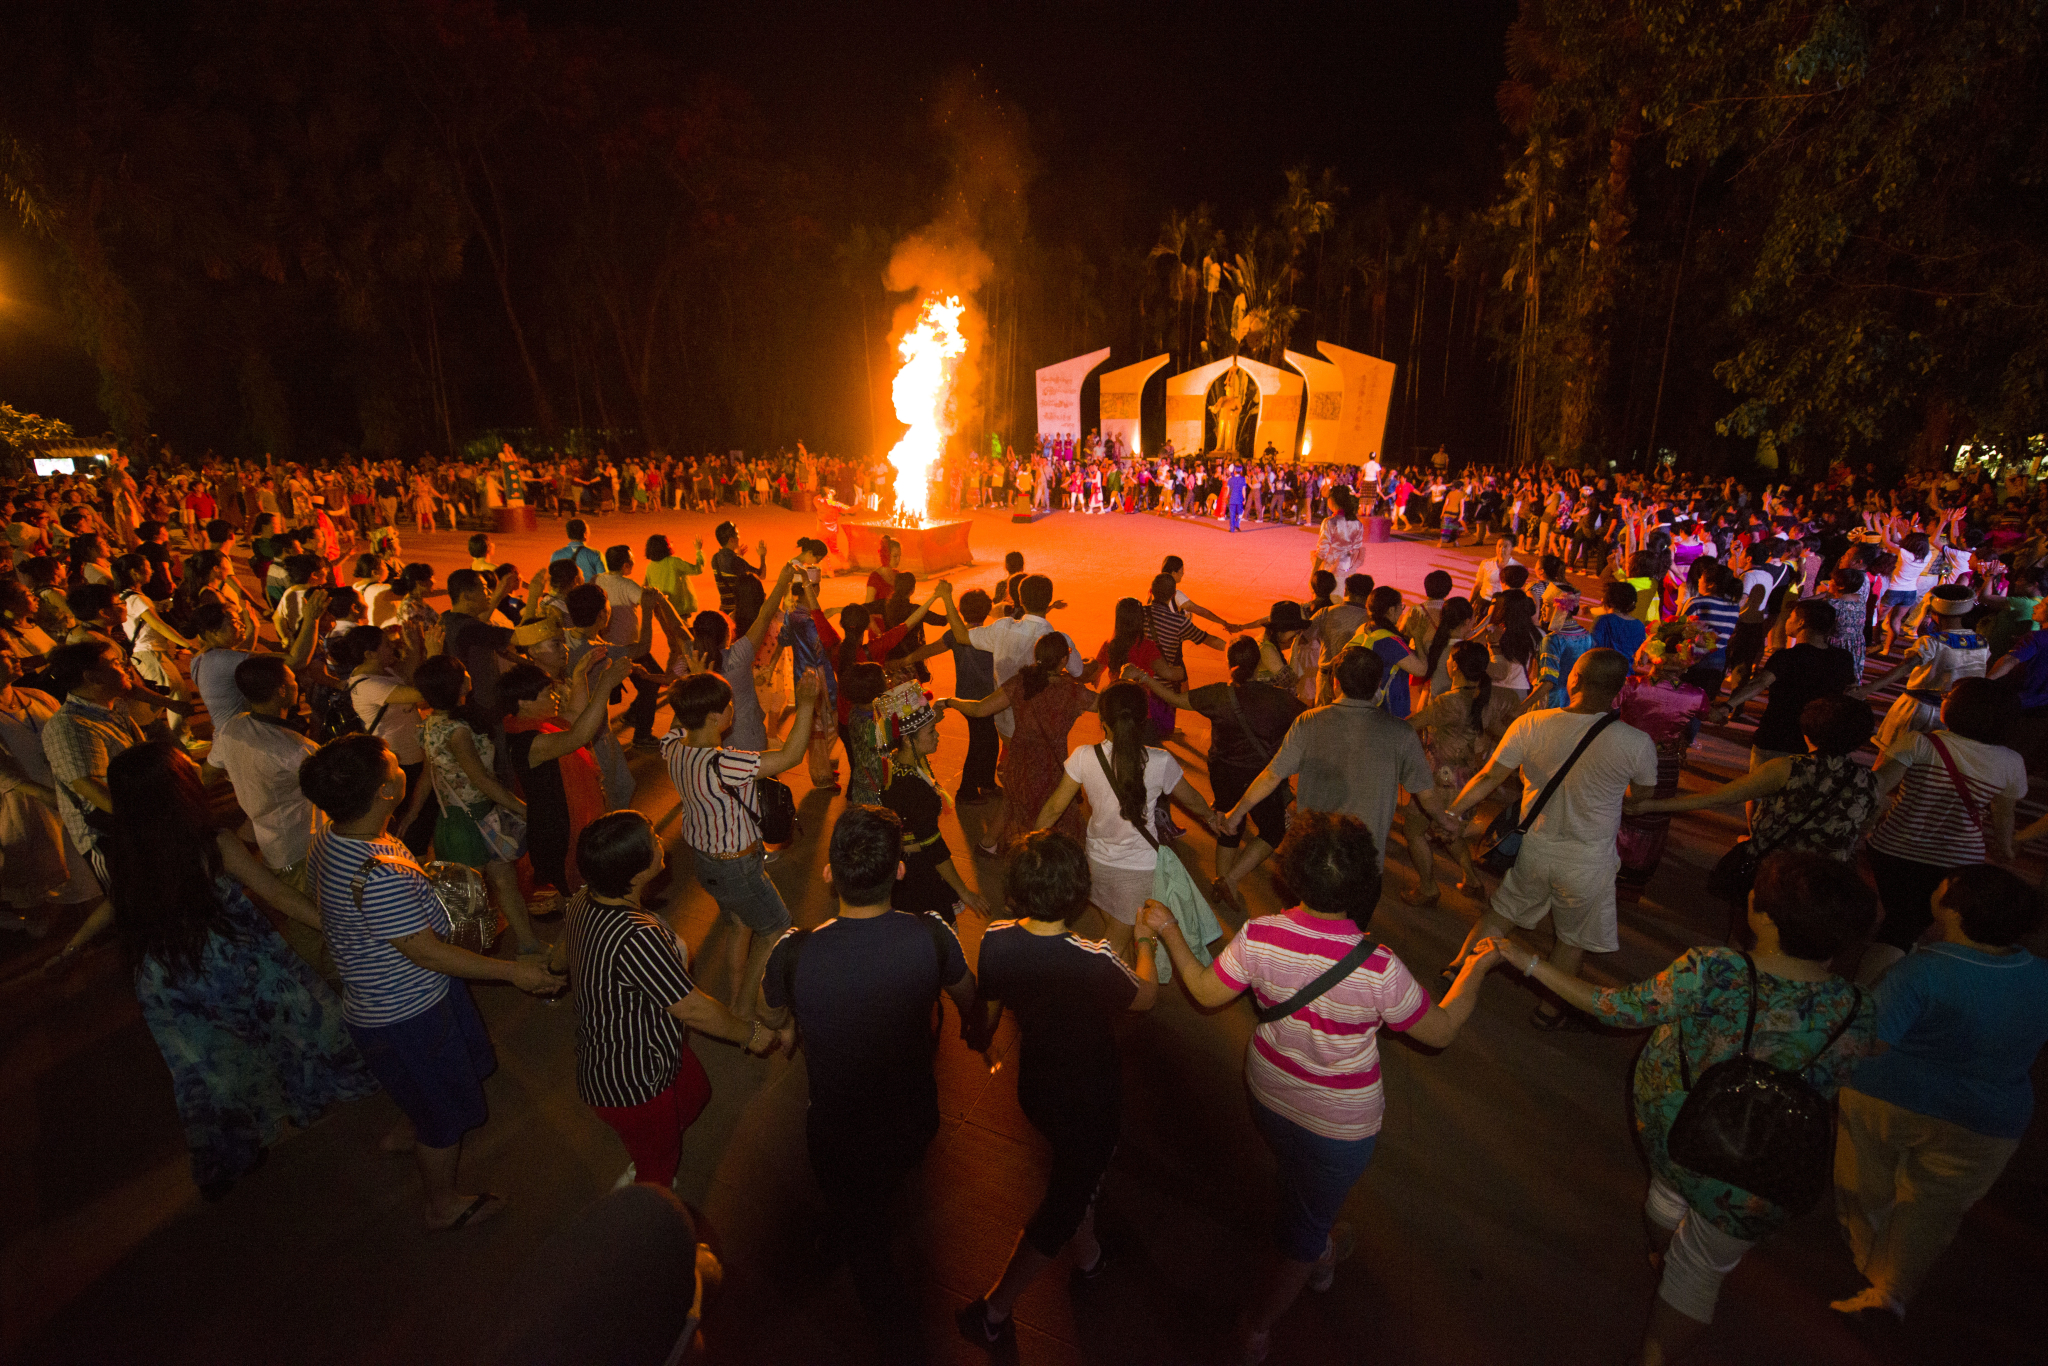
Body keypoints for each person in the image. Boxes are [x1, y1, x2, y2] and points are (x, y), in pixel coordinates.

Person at [1480, 851, 1878, 1365]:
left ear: (1762, 916)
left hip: (1682, 1139)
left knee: (1683, 1251)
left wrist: (1525, 959)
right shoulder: (1858, 1006)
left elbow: (1615, 1009)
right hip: (1766, 1169)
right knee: (1694, 1247)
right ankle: (1675, 1257)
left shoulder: (1716, 971)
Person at [1144, 811, 1499, 1363]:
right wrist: (1478, 966)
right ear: (1363, 882)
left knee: (1297, 1179)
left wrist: (1169, 929)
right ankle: (1260, 1323)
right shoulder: (1379, 968)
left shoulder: (1260, 936)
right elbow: (1442, 1032)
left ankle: (1319, 1238)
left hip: (1268, 1091)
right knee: (1300, 1235)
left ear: (1289, 872)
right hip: (1340, 1127)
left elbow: (1207, 992)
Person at [301, 734, 565, 1230]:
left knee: (439, 1079)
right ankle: (442, 1204)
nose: (402, 767)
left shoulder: (335, 837)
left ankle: (409, 1123)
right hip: (408, 1010)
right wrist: (515, 972)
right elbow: (427, 951)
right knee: (446, 1117)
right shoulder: (377, 873)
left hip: (404, 995)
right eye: (391, 766)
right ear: (384, 792)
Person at [756, 805, 981, 1365]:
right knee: (890, 1184)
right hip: (912, 1113)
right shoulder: (932, 935)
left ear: (829, 872)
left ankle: (879, 1299)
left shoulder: (793, 950)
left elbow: (772, 1017)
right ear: (899, 871)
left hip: (835, 1121)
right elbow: (970, 999)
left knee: (860, 1218)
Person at [105, 740, 378, 1200]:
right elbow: (277, 894)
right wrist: (350, 924)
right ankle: (303, 1107)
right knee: (301, 1028)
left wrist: (73, 944)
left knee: (209, 1072)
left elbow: (119, 906)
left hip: (169, 979)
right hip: (239, 965)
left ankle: (233, 1152)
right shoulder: (210, 842)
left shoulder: (119, 850)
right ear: (177, 788)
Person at [957, 830, 1156, 1345]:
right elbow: (1146, 998)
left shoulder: (996, 939)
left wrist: (984, 1044)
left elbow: (990, 1011)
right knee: (1063, 1203)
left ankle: (1090, 1258)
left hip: (1038, 1089)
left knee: (1076, 1172)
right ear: (1077, 892)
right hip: (1090, 1098)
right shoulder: (1093, 960)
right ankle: (994, 1313)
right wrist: (1149, 945)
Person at [1831, 864, 2048, 1324]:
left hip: (1886, 1097)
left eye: (1946, 886)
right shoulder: (2040, 975)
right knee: (1934, 1208)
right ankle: (1891, 1291)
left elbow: (1873, 1040)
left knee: (1866, 1185)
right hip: (1989, 1119)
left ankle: (1867, 1263)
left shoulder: (1923, 969)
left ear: (1954, 909)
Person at [557, 811, 779, 1189]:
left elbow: (563, 953)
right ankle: (647, 1192)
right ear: (636, 872)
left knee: (694, 1094)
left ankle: (651, 1144)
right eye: (653, 841)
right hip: (629, 1080)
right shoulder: (635, 936)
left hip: (647, 1046)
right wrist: (751, 1033)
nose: (662, 842)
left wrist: (551, 965)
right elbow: (692, 1007)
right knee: (659, 1167)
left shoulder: (584, 900)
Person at [1440, 648, 1660, 1027]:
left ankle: (1458, 970)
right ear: (1620, 689)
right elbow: (1641, 798)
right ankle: (1549, 1007)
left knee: (1503, 912)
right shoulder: (1637, 743)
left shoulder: (1533, 723)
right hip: (1589, 859)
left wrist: (1451, 813)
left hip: (1535, 847)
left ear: (1573, 679)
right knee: (1571, 938)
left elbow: (1489, 777)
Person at [663, 667, 823, 1009]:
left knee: (738, 924)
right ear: (713, 717)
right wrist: (807, 704)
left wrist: (687, 687)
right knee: (776, 929)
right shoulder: (724, 764)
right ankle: (744, 1007)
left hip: (707, 863)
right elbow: (790, 756)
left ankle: (737, 995)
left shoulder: (673, 748)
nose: (733, 710)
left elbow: (677, 724)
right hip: (738, 866)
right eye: (728, 706)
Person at [1032, 681, 1227, 960]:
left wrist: (1030, 845)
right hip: (1138, 870)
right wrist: (1212, 817)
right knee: (1114, 946)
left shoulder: (1084, 756)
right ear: (1145, 718)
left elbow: (1052, 808)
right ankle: (1101, 991)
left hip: (1095, 863)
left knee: (1114, 929)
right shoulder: (1160, 761)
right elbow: (1194, 800)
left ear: (1102, 719)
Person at [1222, 646, 1442, 891]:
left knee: (1309, 922)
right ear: (1379, 683)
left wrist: (1237, 813)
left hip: (1313, 856)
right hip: (1364, 864)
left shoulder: (1308, 722)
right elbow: (1427, 795)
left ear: (1336, 683)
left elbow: (1272, 775)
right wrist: (1447, 822)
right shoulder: (1402, 734)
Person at [1858, 677, 2024, 982]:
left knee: (1900, 919)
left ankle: (1869, 991)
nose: (1944, 697)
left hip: (1893, 848)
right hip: (1956, 860)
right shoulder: (2011, 762)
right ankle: (1896, 976)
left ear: (1961, 709)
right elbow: (2003, 816)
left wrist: (1864, 823)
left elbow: (1877, 788)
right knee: (1916, 923)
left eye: (1950, 696)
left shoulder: (1920, 742)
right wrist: (2005, 848)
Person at [1129, 637, 1303, 914]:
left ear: (1229, 664)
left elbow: (1176, 699)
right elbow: (1307, 719)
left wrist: (1143, 679)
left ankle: (1222, 881)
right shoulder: (1279, 699)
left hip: (1223, 772)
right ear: (1258, 663)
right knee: (1272, 829)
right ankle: (1231, 880)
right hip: (1261, 776)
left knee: (1227, 824)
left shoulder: (1219, 694)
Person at [413, 654, 546, 960]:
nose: (468, 674)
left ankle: (514, 947)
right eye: (462, 672)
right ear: (456, 685)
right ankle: (480, 958)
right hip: (475, 816)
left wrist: (413, 813)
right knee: (482, 894)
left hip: (455, 819)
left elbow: (427, 774)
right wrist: (525, 808)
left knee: (477, 894)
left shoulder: (430, 724)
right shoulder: (458, 731)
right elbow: (481, 780)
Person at [206, 653, 331, 977]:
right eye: (292, 680)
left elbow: (207, 774)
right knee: (310, 925)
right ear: (281, 691)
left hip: (269, 840)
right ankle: (322, 987)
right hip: (301, 850)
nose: (298, 684)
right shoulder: (293, 749)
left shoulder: (232, 728)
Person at [948, 632, 1098, 855]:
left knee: (1012, 802)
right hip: (1051, 767)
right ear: (1063, 660)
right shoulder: (1071, 691)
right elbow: (1105, 705)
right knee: (1055, 811)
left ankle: (989, 844)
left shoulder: (1021, 682)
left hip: (1019, 762)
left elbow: (980, 709)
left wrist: (950, 701)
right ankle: (1037, 855)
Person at [500, 653, 634, 900]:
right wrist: (604, 684)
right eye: (545, 694)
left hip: (563, 819)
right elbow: (579, 736)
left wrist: (580, 674)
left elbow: (574, 714)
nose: (553, 698)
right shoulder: (527, 741)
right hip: (557, 829)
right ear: (524, 702)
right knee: (571, 890)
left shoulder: (536, 724)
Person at [1404, 639, 1518, 897]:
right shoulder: (1484, 700)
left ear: (1454, 666)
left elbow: (1409, 725)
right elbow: (1506, 734)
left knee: (1414, 831)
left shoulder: (1448, 702)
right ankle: (1472, 880)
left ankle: (1428, 888)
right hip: (1466, 782)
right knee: (1449, 833)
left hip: (1436, 782)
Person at [870, 683, 987, 922]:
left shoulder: (894, 764)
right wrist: (964, 891)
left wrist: (932, 714)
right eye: (932, 732)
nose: (938, 735)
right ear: (908, 740)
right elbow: (934, 848)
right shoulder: (915, 789)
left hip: (899, 865)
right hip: (918, 873)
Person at [1709, 599, 1857, 766]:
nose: (1787, 620)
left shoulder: (1787, 657)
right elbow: (1851, 691)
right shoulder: (1844, 658)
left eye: (1791, 617)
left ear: (1801, 622)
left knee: (1762, 787)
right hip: (1817, 742)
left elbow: (1760, 683)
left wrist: (1728, 705)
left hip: (1777, 737)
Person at [1857, 584, 1989, 750]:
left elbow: (1905, 666)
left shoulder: (1932, 642)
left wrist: (1867, 689)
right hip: (1954, 715)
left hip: (1918, 710)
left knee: (1894, 757)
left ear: (1934, 613)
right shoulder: (1982, 643)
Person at [709, 520, 766, 615]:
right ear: (731, 540)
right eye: (737, 534)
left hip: (724, 609)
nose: (739, 537)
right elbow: (762, 575)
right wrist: (762, 556)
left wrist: (738, 556)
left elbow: (730, 569)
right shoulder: (737, 561)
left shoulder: (715, 558)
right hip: (738, 612)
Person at [1312, 486, 1365, 586]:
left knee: (1328, 592)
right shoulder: (1357, 523)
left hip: (1331, 564)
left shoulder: (1330, 522)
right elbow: (1357, 549)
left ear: (1332, 500)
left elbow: (1322, 550)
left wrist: (1314, 571)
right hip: (1347, 564)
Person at [550, 518, 604, 586]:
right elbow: (604, 580)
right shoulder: (595, 554)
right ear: (585, 534)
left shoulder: (556, 555)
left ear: (568, 534)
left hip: (566, 595)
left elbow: (553, 581)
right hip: (588, 594)